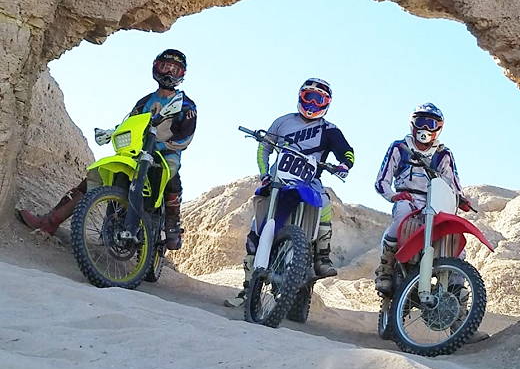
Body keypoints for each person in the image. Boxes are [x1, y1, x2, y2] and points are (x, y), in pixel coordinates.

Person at [16, 49, 197, 251]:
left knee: (170, 173)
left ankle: (172, 225)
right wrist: (113, 133)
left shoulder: (186, 105)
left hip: (166, 153)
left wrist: (163, 146)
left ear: (181, 74)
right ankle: (50, 221)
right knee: (93, 179)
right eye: (165, 67)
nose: (169, 73)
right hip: (137, 152)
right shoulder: (144, 102)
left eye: (174, 69)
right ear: (156, 67)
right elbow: (129, 124)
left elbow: (186, 136)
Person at [224, 77, 354, 308]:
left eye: (319, 99)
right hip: (277, 179)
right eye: (309, 97)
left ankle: (322, 256)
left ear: (326, 103)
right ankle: (247, 290)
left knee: (325, 204)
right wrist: (264, 172)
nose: (312, 103)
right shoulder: (282, 122)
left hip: (308, 182)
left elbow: (347, 152)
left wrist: (344, 164)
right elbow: (264, 146)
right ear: (300, 97)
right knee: (255, 230)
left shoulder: (330, 130)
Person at [373, 102, 471, 294]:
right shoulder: (400, 148)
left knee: (453, 236)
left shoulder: (443, 154)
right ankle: (386, 268)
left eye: (431, 124)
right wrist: (393, 196)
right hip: (407, 198)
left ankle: (457, 285)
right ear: (412, 124)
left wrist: (461, 198)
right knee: (401, 217)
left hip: (435, 202)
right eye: (421, 122)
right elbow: (381, 180)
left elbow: (453, 182)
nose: (425, 127)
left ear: (439, 128)